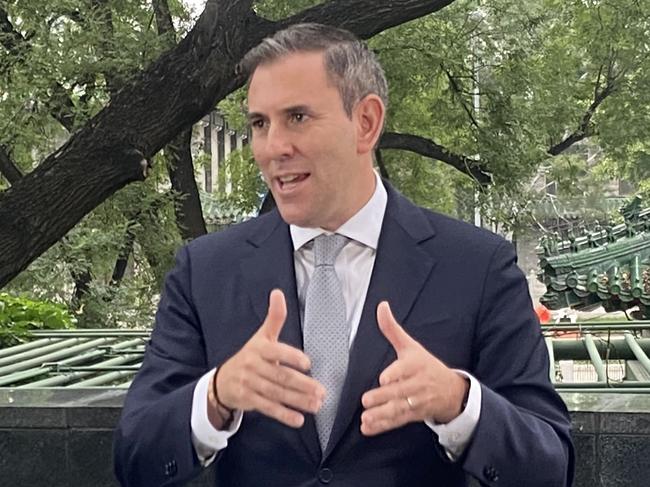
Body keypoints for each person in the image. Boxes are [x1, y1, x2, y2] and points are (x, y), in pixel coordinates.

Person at [114, 23, 574, 487]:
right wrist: (215, 396)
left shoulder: (478, 268)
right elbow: (134, 458)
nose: (274, 147)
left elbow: (549, 465)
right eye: (259, 124)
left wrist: (460, 403)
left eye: (297, 117)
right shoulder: (205, 271)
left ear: (366, 122)